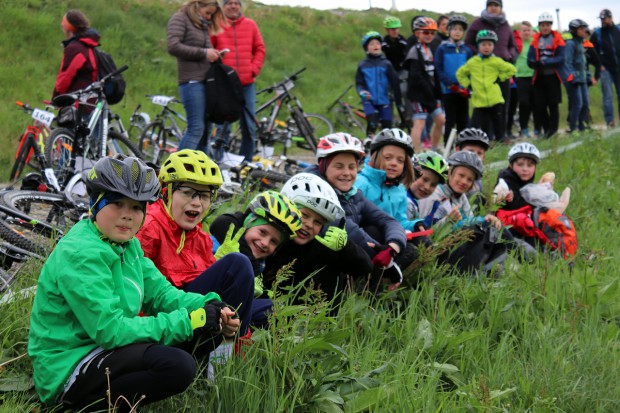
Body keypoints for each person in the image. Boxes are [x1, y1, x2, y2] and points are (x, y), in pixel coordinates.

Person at [28, 156, 239, 411]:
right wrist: (190, 320)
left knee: (207, 331)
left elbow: (160, 295)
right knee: (177, 365)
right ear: (95, 204)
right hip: (69, 365)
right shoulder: (81, 253)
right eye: (117, 203)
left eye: (137, 207)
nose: (128, 215)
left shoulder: (128, 246)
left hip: (104, 351)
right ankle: (81, 407)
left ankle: (114, 401)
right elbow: (110, 330)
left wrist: (211, 305)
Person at [136, 149, 254, 343]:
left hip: (196, 308)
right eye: (188, 193)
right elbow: (140, 292)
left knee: (265, 308)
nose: (197, 203)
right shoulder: (149, 227)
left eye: (204, 196)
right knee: (236, 264)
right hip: (167, 318)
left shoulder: (200, 236)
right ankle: (228, 354)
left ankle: (232, 354)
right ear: (167, 192)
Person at [252, 173, 373, 326]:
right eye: (304, 215)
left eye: (318, 222)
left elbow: (365, 267)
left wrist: (345, 247)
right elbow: (226, 223)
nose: (309, 224)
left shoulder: (322, 246)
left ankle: (320, 325)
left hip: (307, 320)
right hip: (267, 313)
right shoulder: (270, 237)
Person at [306, 133, 407, 290]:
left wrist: (393, 247)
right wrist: (385, 259)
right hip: (315, 261)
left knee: (375, 229)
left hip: (350, 254)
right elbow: (346, 226)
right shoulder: (313, 190)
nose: (347, 173)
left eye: (352, 167)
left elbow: (388, 221)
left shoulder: (353, 194)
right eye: (339, 166)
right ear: (323, 166)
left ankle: (369, 294)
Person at [418, 151, 532, 273]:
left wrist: (485, 219)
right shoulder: (434, 193)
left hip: (453, 246)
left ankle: (516, 264)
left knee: (490, 228)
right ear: (450, 172)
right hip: (434, 252)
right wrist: (449, 220)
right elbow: (423, 230)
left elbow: (470, 221)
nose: (464, 182)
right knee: (486, 224)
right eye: (461, 175)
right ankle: (523, 263)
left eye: (469, 179)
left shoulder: (460, 197)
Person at [355, 129, 428, 283]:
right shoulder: (362, 183)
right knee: (402, 247)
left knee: (423, 243)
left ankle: (390, 279)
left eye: (400, 160)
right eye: (388, 157)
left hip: (390, 236)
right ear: (375, 156)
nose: (394, 163)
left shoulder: (400, 190)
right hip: (367, 237)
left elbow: (399, 220)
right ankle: (368, 280)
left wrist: (415, 225)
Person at [211, 0, 266, 160]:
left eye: (236, 3)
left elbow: (260, 48)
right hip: (225, 85)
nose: (233, 6)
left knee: (248, 127)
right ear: (223, 6)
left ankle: (245, 165)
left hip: (246, 84)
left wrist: (253, 69)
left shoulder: (251, 25)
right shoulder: (217, 24)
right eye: (229, 3)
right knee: (223, 128)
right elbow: (211, 50)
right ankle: (219, 163)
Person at [167, 1, 225, 152]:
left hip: (205, 81)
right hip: (191, 82)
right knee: (196, 128)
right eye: (208, 13)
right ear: (197, 6)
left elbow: (201, 49)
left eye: (212, 14)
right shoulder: (180, 18)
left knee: (205, 131)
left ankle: (199, 172)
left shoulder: (201, 24)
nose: (209, 17)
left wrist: (214, 54)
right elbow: (173, 46)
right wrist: (205, 53)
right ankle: (178, 170)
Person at [464, 0, 518, 141]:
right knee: (485, 107)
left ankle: (502, 136)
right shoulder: (478, 23)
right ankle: (488, 137)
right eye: (491, 5)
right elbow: (468, 43)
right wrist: (481, 54)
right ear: (487, 7)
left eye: (496, 5)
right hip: (484, 72)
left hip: (501, 70)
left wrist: (510, 55)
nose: (493, 8)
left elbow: (512, 45)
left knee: (502, 105)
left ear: (501, 8)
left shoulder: (506, 25)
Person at [457, 30, 516, 144]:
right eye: (483, 44)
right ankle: (473, 147)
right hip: (479, 102)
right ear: (478, 46)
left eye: (489, 44)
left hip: (495, 100)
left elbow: (512, 69)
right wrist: (468, 85)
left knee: (499, 129)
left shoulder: (496, 61)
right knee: (474, 127)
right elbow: (460, 73)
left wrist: (500, 78)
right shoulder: (473, 62)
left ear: (493, 46)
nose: (486, 47)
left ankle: (500, 149)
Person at [405, 16, 446, 153]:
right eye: (425, 32)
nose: (429, 35)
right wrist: (430, 93)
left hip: (429, 94)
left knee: (440, 120)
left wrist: (437, 92)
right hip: (418, 95)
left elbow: (433, 74)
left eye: (432, 33)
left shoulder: (430, 50)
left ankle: (434, 150)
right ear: (417, 33)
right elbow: (416, 77)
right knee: (419, 123)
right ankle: (415, 153)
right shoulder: (414, 51)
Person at [356, 31, 402, 141]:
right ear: (366, 48)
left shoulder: (386, 63)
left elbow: (395, 82)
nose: (375, 46)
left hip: (384, 100)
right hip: (369, 100)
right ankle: (369, 140)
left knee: (387, 127)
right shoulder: (362, 65)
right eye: (371, 44)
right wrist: (362, 92)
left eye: (377, 43)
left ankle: (385, 147)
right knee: (373, 118)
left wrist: (399, 101)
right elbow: (359, 83)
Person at [526, 12, 566, 138]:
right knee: (540, 106)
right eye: (542, 25)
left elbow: (561, 58)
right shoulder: (535, 40)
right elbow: (530, 58)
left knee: (553, 105)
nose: (545, 28)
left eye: (547, 25)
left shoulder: (557, 39)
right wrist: (533, 62)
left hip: (553, 77)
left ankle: (553, 132)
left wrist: (545, 62)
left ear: (551, 26)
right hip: (539, 77)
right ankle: (547, 130)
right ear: (539, 26)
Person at [435, 15, 474, 145]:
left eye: (460, 30)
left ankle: (463, 147)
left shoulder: (466, 50)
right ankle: (448, 147)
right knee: (450, 121)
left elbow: (470, 70)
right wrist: (450, 85)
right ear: (449, 31)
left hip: (463, 91)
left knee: (463, 121)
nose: (457, 32)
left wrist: (467, 87)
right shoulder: (442, 49)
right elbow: (439, 69)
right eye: (455, 29)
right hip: (449, 91)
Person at [53, 10, 99, 99]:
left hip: (79, 104)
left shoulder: (75, 49)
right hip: (92, 103)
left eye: (63, 25)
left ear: (68, 28)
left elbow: (65, 77)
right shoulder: (89, 46)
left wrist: (56, 98)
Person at [591, 9, 620, 128]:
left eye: (605, 18)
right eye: (601, 19)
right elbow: (591, 51)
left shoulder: (618, 30)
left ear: (610, 18)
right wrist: (599, 65)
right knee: (607, 96)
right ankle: (610, 121)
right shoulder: (597, 34)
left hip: (618, 67)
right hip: (606, 69)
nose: (603, 21)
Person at [382, 16, 410, 127]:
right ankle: (389, 120)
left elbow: (408, 55)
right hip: (388, 72)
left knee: (405, 91)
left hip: (401, 70)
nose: (395, 31)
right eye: (392, 29)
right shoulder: (384, 43)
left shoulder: (403, 41)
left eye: (397, 28)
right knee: (389, 96)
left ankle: (408, 117)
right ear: (387, 30)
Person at [514, 21, 541, 138]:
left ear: (531, 32)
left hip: (534, 76)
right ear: (520, 32)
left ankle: (537, 129)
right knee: (524, 103)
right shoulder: (516, 43)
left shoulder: (535, 43)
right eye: (523, 30)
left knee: (536, 103)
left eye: (528, 30)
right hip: (520, 76)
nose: (526, 32)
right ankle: (523, 128)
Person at [406, 151, 449, 224]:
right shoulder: (405, 202)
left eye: (433, 185)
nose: (427, 187)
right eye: (424, 179)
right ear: (412, 172)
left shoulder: (412, 202)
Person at [453, 127, 490, 210]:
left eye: (479, 153)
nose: (474, 156)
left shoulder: (478, 180)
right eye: (470, 151)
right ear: (457, 150)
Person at [564, 19, 590, 134]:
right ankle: (572, 128)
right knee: (577, 104)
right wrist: (572, 76)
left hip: (583, 78)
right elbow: (567, 62)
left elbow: (583, 63)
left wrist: (587, 75)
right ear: (574, 30)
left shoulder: (581, 43)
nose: (583, 31)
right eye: (580, 29)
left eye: (584, 28)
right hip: (574, 80)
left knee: (585, 103)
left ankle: (581, 126)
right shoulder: (570, 44)